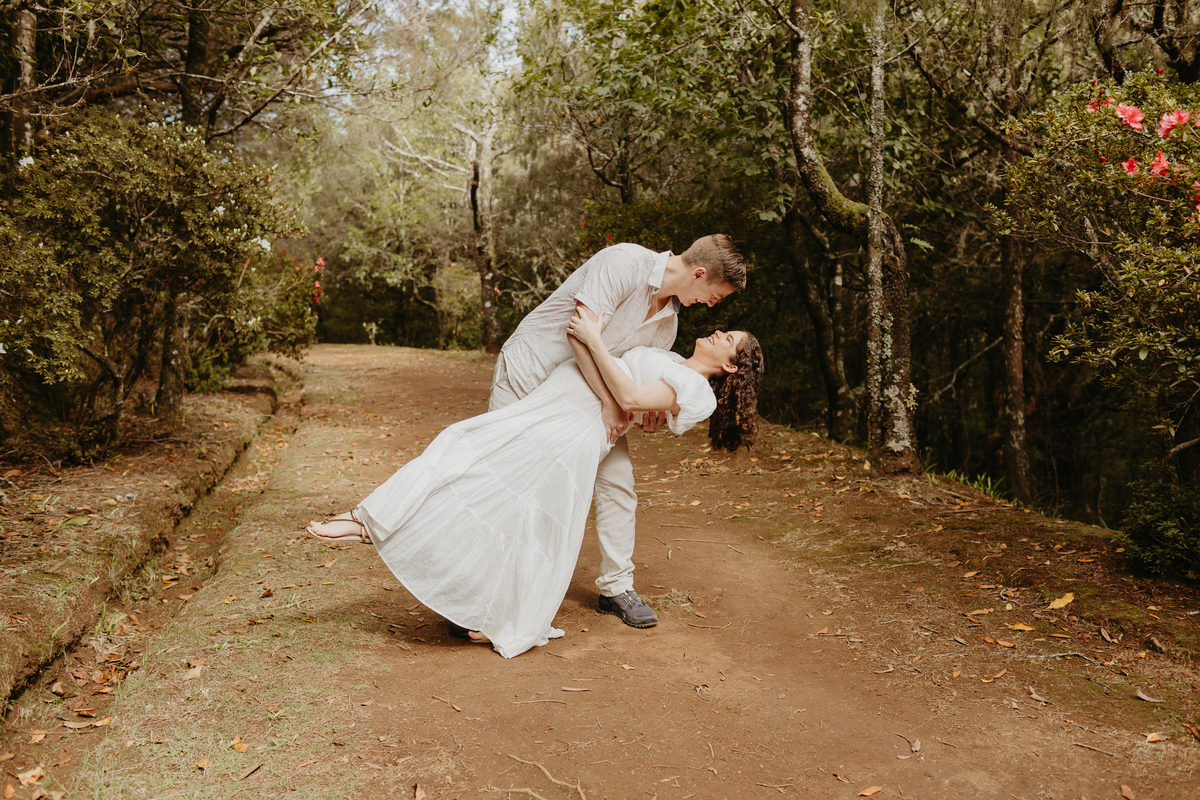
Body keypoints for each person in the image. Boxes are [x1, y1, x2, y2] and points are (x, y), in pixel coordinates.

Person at [305, 324, 764, 658]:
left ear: (728, 365)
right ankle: (371, 521)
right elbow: (627, 390)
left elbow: (631, 399)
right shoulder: (667, 358)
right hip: (556, 402)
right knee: (464, 448)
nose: (718, 331)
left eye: (729, 338)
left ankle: (381, 529)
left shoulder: (699, 392)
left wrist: (597, 341)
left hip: (573, 425)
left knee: (525, 508)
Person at [490, 235, 746, 628]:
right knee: (509, 484)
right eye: (716, 294)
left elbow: (630, 372)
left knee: (617, 483)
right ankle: (484, 593)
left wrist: (649, 407)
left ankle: (615, 587)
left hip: (586, 405)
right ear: (698, 274)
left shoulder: (669, 325)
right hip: (529, 374)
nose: (713, 305)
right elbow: (579, 335)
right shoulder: (625, 262)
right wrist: (616, 406)